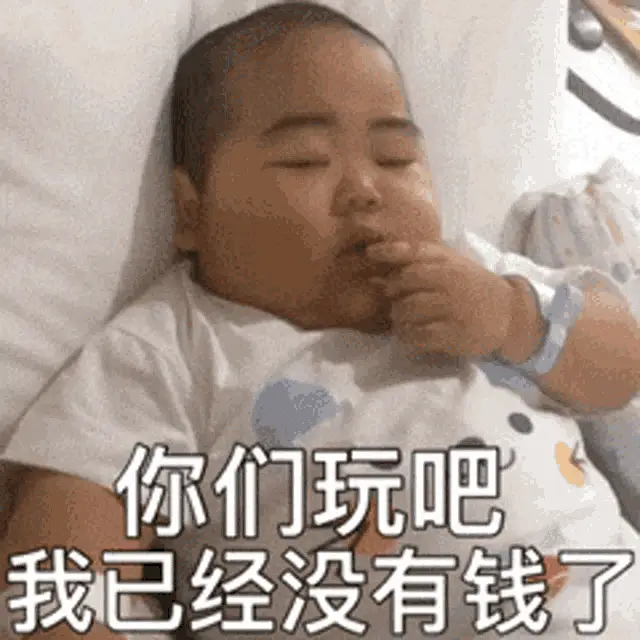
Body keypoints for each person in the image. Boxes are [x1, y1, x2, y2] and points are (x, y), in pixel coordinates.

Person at [1, 3, 639, 639]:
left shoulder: (480, 274)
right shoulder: (171, 349)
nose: (365, 188)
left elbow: (623, 369)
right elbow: (60, 571)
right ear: (190, 212)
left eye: (395, 157)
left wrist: (515, 319)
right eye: (305, 160)